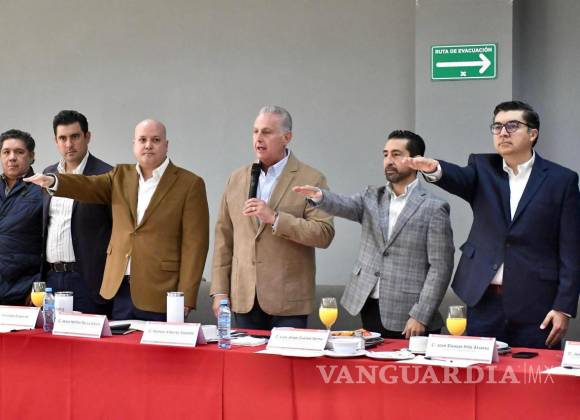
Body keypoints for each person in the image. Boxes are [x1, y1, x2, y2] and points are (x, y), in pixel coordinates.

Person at [404, 100, 580, 349]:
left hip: (536, 304)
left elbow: (571, 250)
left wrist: (563, 307)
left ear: (532, 134)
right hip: (484, 300)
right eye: (497, 127)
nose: (503, 132)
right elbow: (459, 177)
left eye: (512, 126)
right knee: (482, 372)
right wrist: (435, 169)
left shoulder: (561, 180)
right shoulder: (482, 167)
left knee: (533, 372)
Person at [25, 119, 209, 320]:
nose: (148, 145)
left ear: (166, 145)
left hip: (162, 291)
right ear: (134, 144)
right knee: (119, 341)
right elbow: (88, 185)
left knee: (157, 342)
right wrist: (53, 180)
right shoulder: (121, 175)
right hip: (118, 289)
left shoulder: (189, 183)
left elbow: (195, 245)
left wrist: (186, 295)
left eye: (155, 140)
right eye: (142, 140)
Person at [294, 130, 455, 338]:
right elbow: (344, 205)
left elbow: (441, 268)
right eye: (385, 154)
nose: (388, 160)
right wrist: (319, 196)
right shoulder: (371, 196)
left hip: (409, 313)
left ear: (415, 161)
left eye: (396, 154)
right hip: (369, 303)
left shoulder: (434, 207)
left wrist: (421, 315)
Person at [210, 105, 335, 329]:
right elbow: (223, 239)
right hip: (243, 299)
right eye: (255, 131)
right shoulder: (237, 179)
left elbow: (324, 233)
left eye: (267, 132)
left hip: (289, 302)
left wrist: (276, 218)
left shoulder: (311, 179)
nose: (258, 138)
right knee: (245, 355)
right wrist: (220, 291)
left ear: (287, 137)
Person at [42, 110, 113, 315]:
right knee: (51, 335)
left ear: (87, 137)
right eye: (62, 138)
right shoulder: (48, 174)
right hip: (52, 278)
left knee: (88, 336)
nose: (69, 144)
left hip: (88, 280)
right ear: (55, 141)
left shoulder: (106, 174)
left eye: (75, 136)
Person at [0, 129, 42, 305]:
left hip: (23, 291)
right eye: (6, 152)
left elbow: (51, 243)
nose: (12, 157)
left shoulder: (42, 190)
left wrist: (38, 287)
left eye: (19, 152)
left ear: (32, 156)